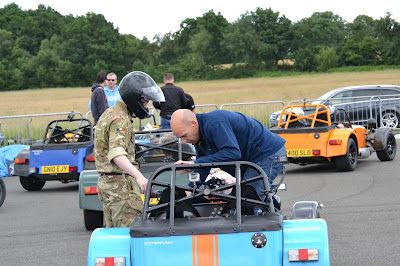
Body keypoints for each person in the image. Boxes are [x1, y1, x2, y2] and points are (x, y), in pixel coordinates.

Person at [95, 71, 165, 227]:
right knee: (130, 234)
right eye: (145, 101)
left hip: (109, 184)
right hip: (120, 185)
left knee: (114, 239)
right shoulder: (121, 119)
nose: (146, 106)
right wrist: (139, 177)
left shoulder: (111, 113)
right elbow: (116, 153)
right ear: (135, 98)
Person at [170, 109, 287, 200]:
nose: (184, 142)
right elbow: (203, 167)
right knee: (240, 198)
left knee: (247, 200)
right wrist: (189, 190)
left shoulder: (215, 123)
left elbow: (232, 153)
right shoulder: (198, 136)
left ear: (193, 123)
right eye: (180, 138)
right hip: (253, 157)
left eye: (184, 136)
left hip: (266, 153)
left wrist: (195, 163)